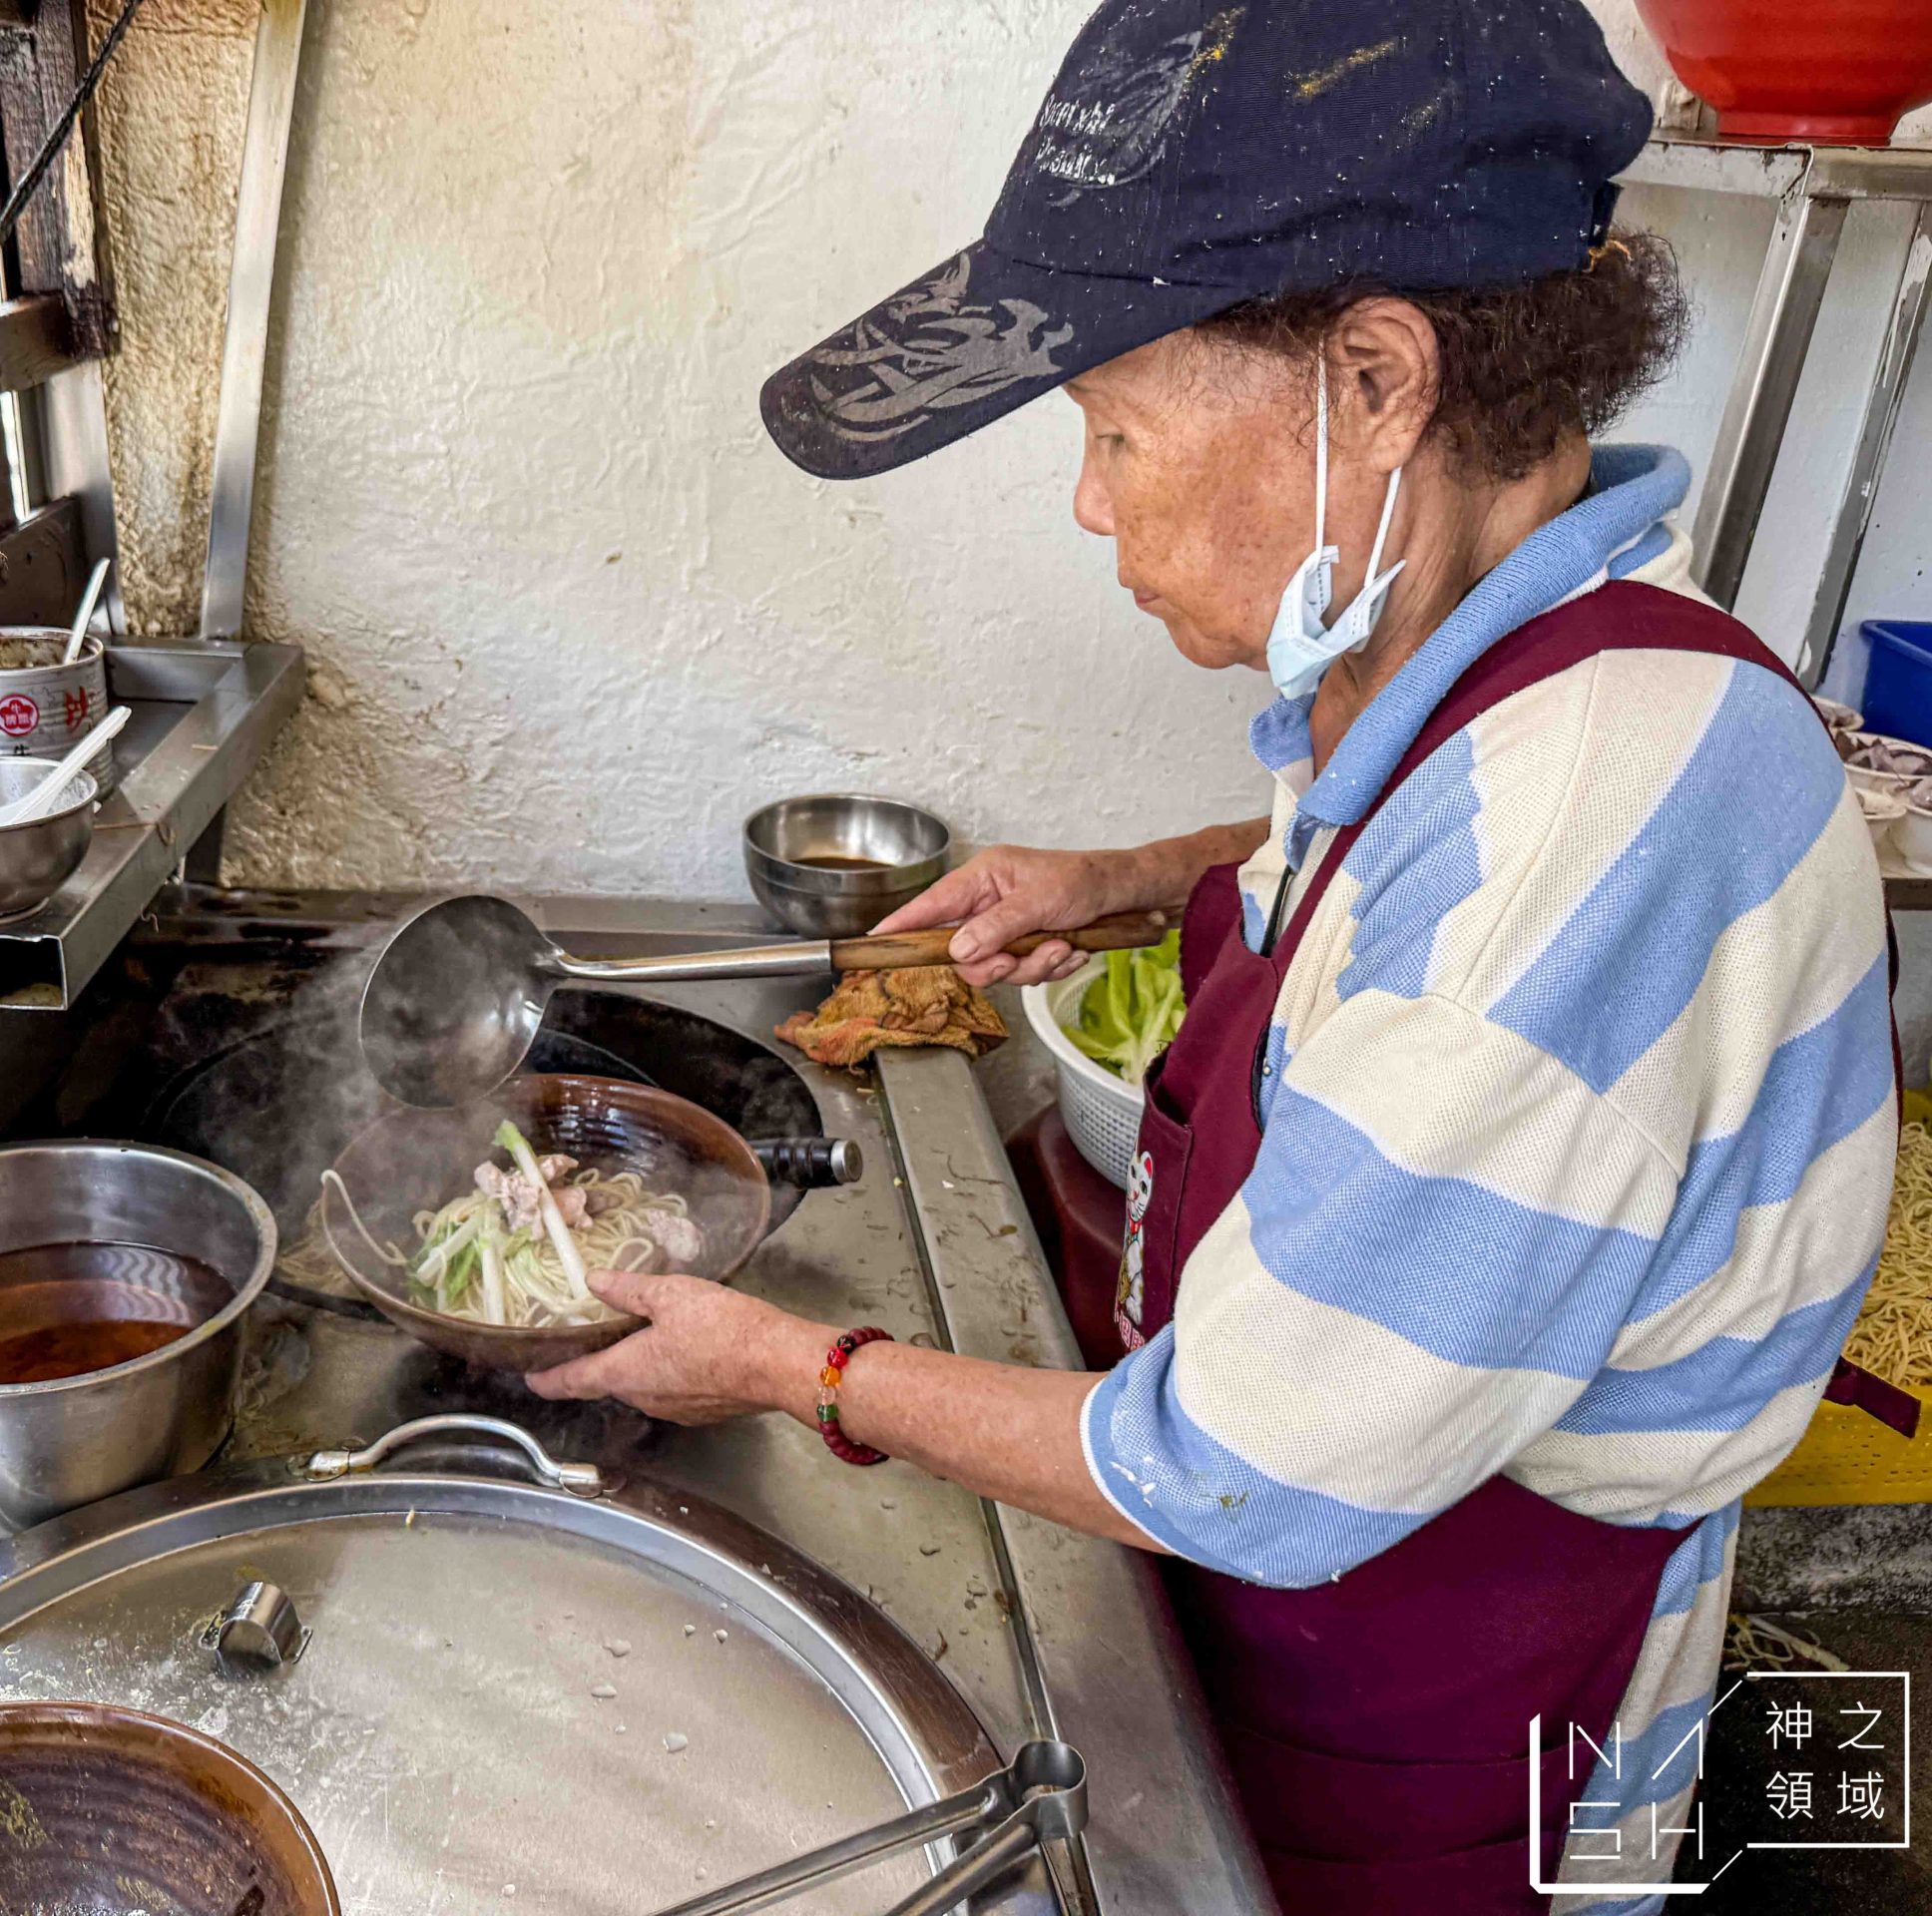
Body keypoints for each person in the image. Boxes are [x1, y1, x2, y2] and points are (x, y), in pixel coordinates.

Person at [527, 4, 1899, 1912]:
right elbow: (1406, 869)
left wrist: (786, 1362)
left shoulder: (1584, 827)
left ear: (1375, 382)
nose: (1092, 503)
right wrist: (1131, 874)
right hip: (1366, 1583)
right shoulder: (1533, 643)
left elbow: (1239, 1473)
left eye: (1113, 430)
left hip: (1474, 1661)